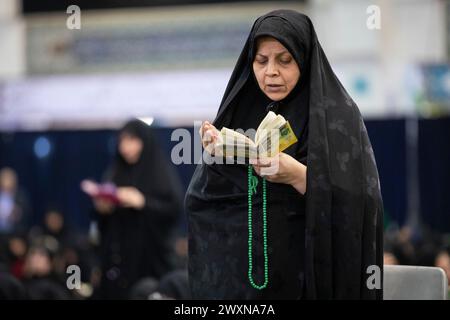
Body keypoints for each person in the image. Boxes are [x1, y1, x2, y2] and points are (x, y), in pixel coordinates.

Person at [185, 10, 384, 299]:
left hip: (309, 279)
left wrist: (300, 176)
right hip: (248, 287)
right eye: (261, 60)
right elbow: (202, 200)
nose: (271, 72)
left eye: (284, 60)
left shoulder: (337, 117)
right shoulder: (242, 110)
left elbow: (364, 203)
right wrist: (219, 156)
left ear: (303, 57)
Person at [93, 119, 183, 299]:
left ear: (144, 142)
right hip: (119, 261)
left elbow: (174, 209)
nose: (126, 147)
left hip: (151, 259)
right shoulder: (115, 172)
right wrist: (103, 208)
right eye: (122, 141)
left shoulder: (159, 172)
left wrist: (143, 202)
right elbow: (104, 221)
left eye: (132, 140)